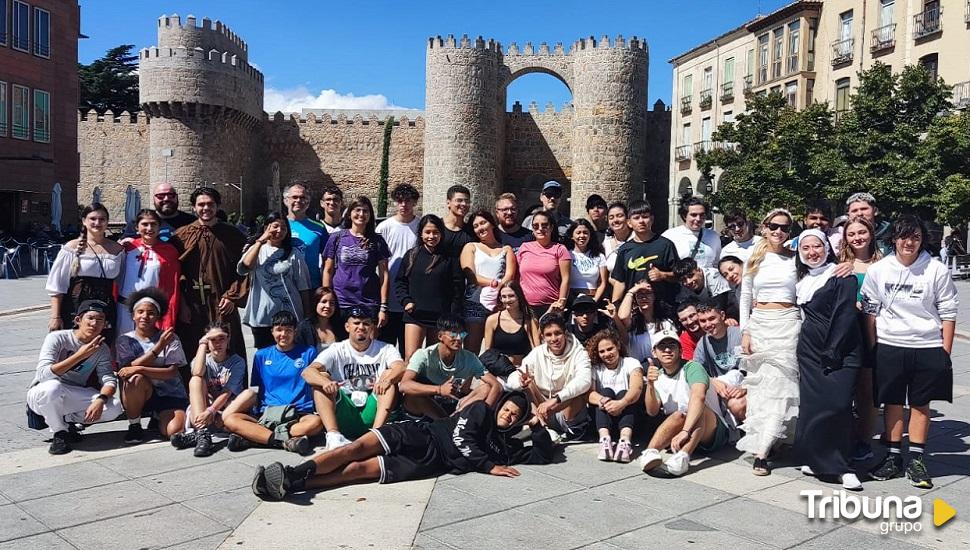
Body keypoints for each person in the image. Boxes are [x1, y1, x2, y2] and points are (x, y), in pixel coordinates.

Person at [250, 391, 552, 501]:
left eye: (514, 415)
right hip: (420, 434)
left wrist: (538, 423)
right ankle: (293, 472)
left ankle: (290, 486)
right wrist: (488, 465)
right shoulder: (481, 412)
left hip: (430, 462)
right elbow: (462, 438)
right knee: (353, 449)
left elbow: (542, 454)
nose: (508, 414)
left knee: (358, 470)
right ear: (500, 406)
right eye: (507, 408)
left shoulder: (505, 447)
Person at [862, 215, 959, 489]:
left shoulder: (936, 269)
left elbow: (949, 311)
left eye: (915, 237)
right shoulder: (879, 270)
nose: (909, 242)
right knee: (892, 402)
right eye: (904, 236)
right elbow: (870, 310)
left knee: (920, 404)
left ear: (922, 240)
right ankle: (893, 457)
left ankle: (916, 458)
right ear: (894, 239)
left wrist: (945, 352)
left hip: (927, 345)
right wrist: (874, 345)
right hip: (890, 344)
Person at [792, 229, 864, 490]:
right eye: (806, 248)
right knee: (814, 406)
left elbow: (845, 314)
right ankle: (816, 458)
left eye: (817, 247)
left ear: (826, 248)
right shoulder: (802, 280)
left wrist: (833, 349)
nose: (812, 253)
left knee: (839, 405)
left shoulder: (841, 275)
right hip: (810, 351)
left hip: (841, 350)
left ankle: (843, 466)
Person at [736, 208, 800, 476]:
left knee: (781, 387)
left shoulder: (796, 260)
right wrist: (745, 331)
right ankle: (765, 438)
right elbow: (745, 296)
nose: (778, 232)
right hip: (760, 322)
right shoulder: (754, 256)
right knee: (761, 388)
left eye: (785, 228)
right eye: (774, 226)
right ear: (764, 227)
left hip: (787, 323)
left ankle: (762, 451)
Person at [26, 300, 123, 455]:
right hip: (43, 391)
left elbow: (109, 379)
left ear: (105, 324)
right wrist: (79, 355)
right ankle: (60, 433)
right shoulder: (57, 338)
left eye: (100, 320)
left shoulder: (102, 348)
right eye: (90, 318)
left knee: (114, 407)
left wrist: (101, 399)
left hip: (73, 392)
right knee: (53, 388)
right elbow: (43, 374)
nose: (94, 323)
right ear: (78, 320)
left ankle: (68, 421)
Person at [302, 306, 407, 450]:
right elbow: (307, 372)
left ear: (372, 327)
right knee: (321, 377)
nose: (361, 327)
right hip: (345, 408)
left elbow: (401, 367)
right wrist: (325, 382)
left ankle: (376, 436)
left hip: (373, 406)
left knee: (389, 376)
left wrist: (387, 379)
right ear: (347, 326)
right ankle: (334, 436)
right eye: (356, 323)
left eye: (366, 323)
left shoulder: (385, 348)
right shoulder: (337, 349)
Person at [223, 310, 322, 455]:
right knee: (231, 419)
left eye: (288, 330)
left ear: (295, 331)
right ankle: (282, 442)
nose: (283, 334)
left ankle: (254, 438)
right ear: (272, 332)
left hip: (298, 413)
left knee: (316, 423)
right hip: (267, 413)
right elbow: (258, 387)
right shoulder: (261, 355)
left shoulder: (308, 352)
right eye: (279, 330)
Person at [640, 327, 732, 477]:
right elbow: (652, 411)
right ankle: (650, 452)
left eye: (672, 345)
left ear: (680, 349)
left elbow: (699, 396)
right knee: (678, 415)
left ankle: (682, 458)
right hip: (682, 430)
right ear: (654, 352)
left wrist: (685, 431)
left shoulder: (692, 367)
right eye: (662, 346)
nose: (667, 350)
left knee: (696, 407)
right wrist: (650, 384)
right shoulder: (658, 375)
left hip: (711, 430)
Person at [172, 187, 248, 361]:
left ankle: (231, 388)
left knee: (227, 348)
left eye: (210, 204)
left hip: (222, 302)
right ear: (193, 207)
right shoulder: (181, 235)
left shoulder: (232, 234)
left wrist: (232, 296)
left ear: (217, 206)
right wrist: (182, 304)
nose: (206, 208)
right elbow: (176, 272)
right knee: (193, 350)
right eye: (201, 204)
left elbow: (245, 268)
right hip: (192, 306)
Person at [115, 287, 189, 444]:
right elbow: (128, 369)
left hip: (170, 393)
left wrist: (140, 368)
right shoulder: (125, 340)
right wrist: (158, 348)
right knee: (135, 378)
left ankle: (159, 417)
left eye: (150, 313)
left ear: (158, 317)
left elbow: (171, 372)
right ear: (133, 315)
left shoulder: (170, 337)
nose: (145, 316)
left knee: (173, 432)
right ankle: (135, 425)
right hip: (142, 393)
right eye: (140, 312)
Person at [837, 216, 883, 462]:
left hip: (874, 332)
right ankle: (844, 437)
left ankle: (864, 440)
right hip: (848, 332)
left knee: (867, 390)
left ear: (871, 234)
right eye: (852, 234)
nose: (857, 238)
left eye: (862, 232)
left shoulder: (885, 264)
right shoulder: (842, 264)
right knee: (846, 388)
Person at [506, 313, 592, 442]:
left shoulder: (579, 352)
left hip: (567, 412)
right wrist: (520, 381)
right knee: (526, 384)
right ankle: (543, 427)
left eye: (558, 333)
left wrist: (555, 400)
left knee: (578, 391)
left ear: (565, 333)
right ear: (543, 337)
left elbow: (584, 380)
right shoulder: (537, 353)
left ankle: (567, 430)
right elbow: (512, 378)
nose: (554, 339)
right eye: (548, 335)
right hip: (542, 410)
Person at [46, 203, 126, 341]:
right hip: (75, 306)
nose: (97, 223)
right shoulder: (71, 248)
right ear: (84, 221)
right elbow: (57, 285)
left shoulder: (118, 250)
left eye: (102, 219)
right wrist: (55, 316)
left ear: (107, 221)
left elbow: (122, 281)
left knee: (103, 347)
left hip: (105, 306)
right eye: (93, 219)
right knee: (74, 348)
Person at [400, 316, 503, 418]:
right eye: (454, 333)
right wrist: (439, 389)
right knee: (415, 396)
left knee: (486, 388)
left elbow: (496, 386)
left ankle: (455, 421)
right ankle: (448, 423)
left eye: (462, 334)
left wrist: (485, 414)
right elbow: (404, 385)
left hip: (453, 406)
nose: (458, 338)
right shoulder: (423, 355)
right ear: (440, 336)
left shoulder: (469, 358)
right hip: (424, 407)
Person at [170, 321, 247, 457]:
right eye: (212, 339)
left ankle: (197, 435)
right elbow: (197, 372)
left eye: (221, 338)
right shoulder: (202, 358)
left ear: (228, 339)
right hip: (205, 411)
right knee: (195, 380)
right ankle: (203, 435)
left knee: (247, 395)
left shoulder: (237, 362)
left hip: (225, 408)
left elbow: (227, 392)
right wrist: (202, 346)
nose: (218, 343)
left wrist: (211, 411)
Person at [238, 212, 312, 349]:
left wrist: (307, 315)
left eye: (283, 228)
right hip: (263, 315)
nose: (279, 231)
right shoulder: (256, 250)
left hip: (290, 314)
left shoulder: (293, 253)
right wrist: (260, 241)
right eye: (275, 226)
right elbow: (247, 265)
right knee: (265, 355)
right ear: (266, 227)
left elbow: (303, 285)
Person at [396, 214, 464, 362]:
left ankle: (431, 386)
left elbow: (457, 289)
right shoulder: (412, 255)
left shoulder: (450, 258)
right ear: (421, 233)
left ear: (441, 234)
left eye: (435, 232)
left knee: (435, 359)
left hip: (440, 317)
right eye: (427, 232)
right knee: (412, 358)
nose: (431, 236)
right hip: (415, 314)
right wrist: (405, 301)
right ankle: (409, 385)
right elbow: (400, 282)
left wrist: (452, 316)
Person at [322, 195, 391, 326]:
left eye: (365, 211)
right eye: (357, 210)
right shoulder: (337, 238)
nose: (361, 214)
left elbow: (384, 275)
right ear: (349, 214)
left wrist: (383, 307)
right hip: (341, 301)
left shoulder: (377, 241)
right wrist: (326, 299)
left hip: (368, 301)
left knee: (366, 343)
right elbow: (328, 270)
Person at [116, 209, 181, 335]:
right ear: (137, 227)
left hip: (151, 310)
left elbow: (172, 288)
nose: (149, 228)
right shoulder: (127, 248)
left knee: (150, 347)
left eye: (153, 224)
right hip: (124, 307)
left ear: (159, 227)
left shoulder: (169, 252)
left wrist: (168, 317)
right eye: (145, 224)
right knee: (123, 346)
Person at [609, 200, 679, 315]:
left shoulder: (665, 245)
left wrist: (663, 275)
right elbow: (620, 281)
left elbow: (678, 276)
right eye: (636, 218)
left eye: (645, 217)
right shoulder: (624, 249)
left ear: (651, 219)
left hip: (662, 308)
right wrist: (615, 305)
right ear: (629, 223)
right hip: (634, 308)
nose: (641, 221)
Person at [461, 210, 516, 353]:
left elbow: (510, 274)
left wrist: (500, 288)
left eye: (483, 223)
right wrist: (493, 283)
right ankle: (466, 376)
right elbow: (471, 275)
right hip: (475, 302)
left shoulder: (506, 249)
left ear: (492, 224)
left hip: (499, 302)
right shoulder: (471, 247)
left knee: (497, 347)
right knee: (471, 348)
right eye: (476, 226)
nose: (480, 228)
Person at [586, 330, 642, 463]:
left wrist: (622, 403)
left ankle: (625, 443)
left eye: (610, 349)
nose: (607, 354)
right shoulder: (596, 369)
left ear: (617, 345)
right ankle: (605, 440)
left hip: (628, 419)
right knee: (606, 392)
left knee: (624, 393)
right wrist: (602, 400)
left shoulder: (631, 363)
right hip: (605, 418)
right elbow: (588, 393)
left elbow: (637, 388)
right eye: (602, 351)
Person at [376, 183, 420, 349]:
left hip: (412, 296)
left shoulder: (421, 226)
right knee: (385, 347)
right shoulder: (384, 227)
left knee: (408, 350)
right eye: (400, 200)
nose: (404, 205)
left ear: (414, 202)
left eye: (408, 201)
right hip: (388, 295)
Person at [692, 301, 746, 422]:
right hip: (721, 391)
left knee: (736, 405)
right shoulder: (703, 343)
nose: (708, 324)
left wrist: (744, 388)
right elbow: (695, 370)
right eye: (703, 321)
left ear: (722, 315)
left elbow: (758, 367)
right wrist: (713, 381)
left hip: (745, 385)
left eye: (712, 318)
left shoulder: (740, 335)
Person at [517, 210, 571, 318]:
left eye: (544, 225)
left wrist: (562, 302)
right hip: (526, 306)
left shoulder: (560, 249)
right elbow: (517, 275)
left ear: (551, 227)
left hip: (551, 305)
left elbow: (566, 279)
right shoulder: (524, 247)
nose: (540, 229)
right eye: (536, 226)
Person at [615, 280, 676, 363]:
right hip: (638, 370)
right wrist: (631, 291)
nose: (644, 297)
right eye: (639, 294)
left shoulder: (666, 323)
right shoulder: (632, 323)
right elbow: (622, 316)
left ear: (654, 296)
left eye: (648, 293)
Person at [482, 280, 540, 366]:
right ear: (500, 299)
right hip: (499, 369)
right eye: (504, 297)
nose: (507, 300)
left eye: (511, 296)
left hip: (522, 369)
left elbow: (537, 350)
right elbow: (488, 353)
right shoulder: (492, 320)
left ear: (519, 297)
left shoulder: (529, 320)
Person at [283, 182, 328, 290]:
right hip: (283, 288)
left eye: (303, 197)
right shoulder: (278, 226)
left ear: (308, 202)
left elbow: (328, 260)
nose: (298, 200)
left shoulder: (319, 227)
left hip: (311, 286)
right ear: (286, 200)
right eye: (294, 197)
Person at [662, 196, 721, 269]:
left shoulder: (713, 236)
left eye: (702, 215)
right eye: (694, 215)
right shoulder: (670, 236)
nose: (698, 219)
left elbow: (717, 264)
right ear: (684, 216)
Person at [566, 219, 608, 304]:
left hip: (593, 299)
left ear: (590, 235)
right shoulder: (567, 255)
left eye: (585, 232)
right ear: (572, 236)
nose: (582, 236)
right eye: (578, 233)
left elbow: (602, 282)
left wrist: (594, 301)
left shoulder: (599, 256)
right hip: (571, 299)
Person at [296, 287, 345, 353]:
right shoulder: (304, 327)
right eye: (324, 302)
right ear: (315, 303)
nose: (328, 306)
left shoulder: (340, 327)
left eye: (332, 303)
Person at [441, 184, 473, 257]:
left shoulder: (471, 232)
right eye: (459, 200)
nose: (464, 204)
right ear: (448, 203)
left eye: (467, 201)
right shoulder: (437, 227)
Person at [603, 202, 632, 274]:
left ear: (627, 218)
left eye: (619, 216)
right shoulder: (606, 244)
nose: (615, 220)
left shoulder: (638, 239)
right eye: (611, 217)